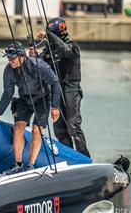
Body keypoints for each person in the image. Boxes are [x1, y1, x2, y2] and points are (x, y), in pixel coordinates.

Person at [0, 42, 62, 174]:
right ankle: (17, 164)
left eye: (13, 58)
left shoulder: (39, 66)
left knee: (36, 130)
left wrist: (55, 106)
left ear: (22, 56)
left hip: (42, 99)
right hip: (24, 99)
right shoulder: (8, 70)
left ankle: (30, 165)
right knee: (18, 129)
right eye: (8, 58)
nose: (10, 61)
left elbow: (55, 83)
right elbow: (8, 92)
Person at [34, 17, 90, 157]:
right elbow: (39, 64)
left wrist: (49, 35)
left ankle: (84, 157)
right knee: (59, 129)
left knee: (73, 127)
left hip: (71, 88)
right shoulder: (50, 49)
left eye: (53, 34)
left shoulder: (72, 46)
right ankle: (70, 157)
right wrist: (32, 56)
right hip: (56, 90)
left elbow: (65, 50)